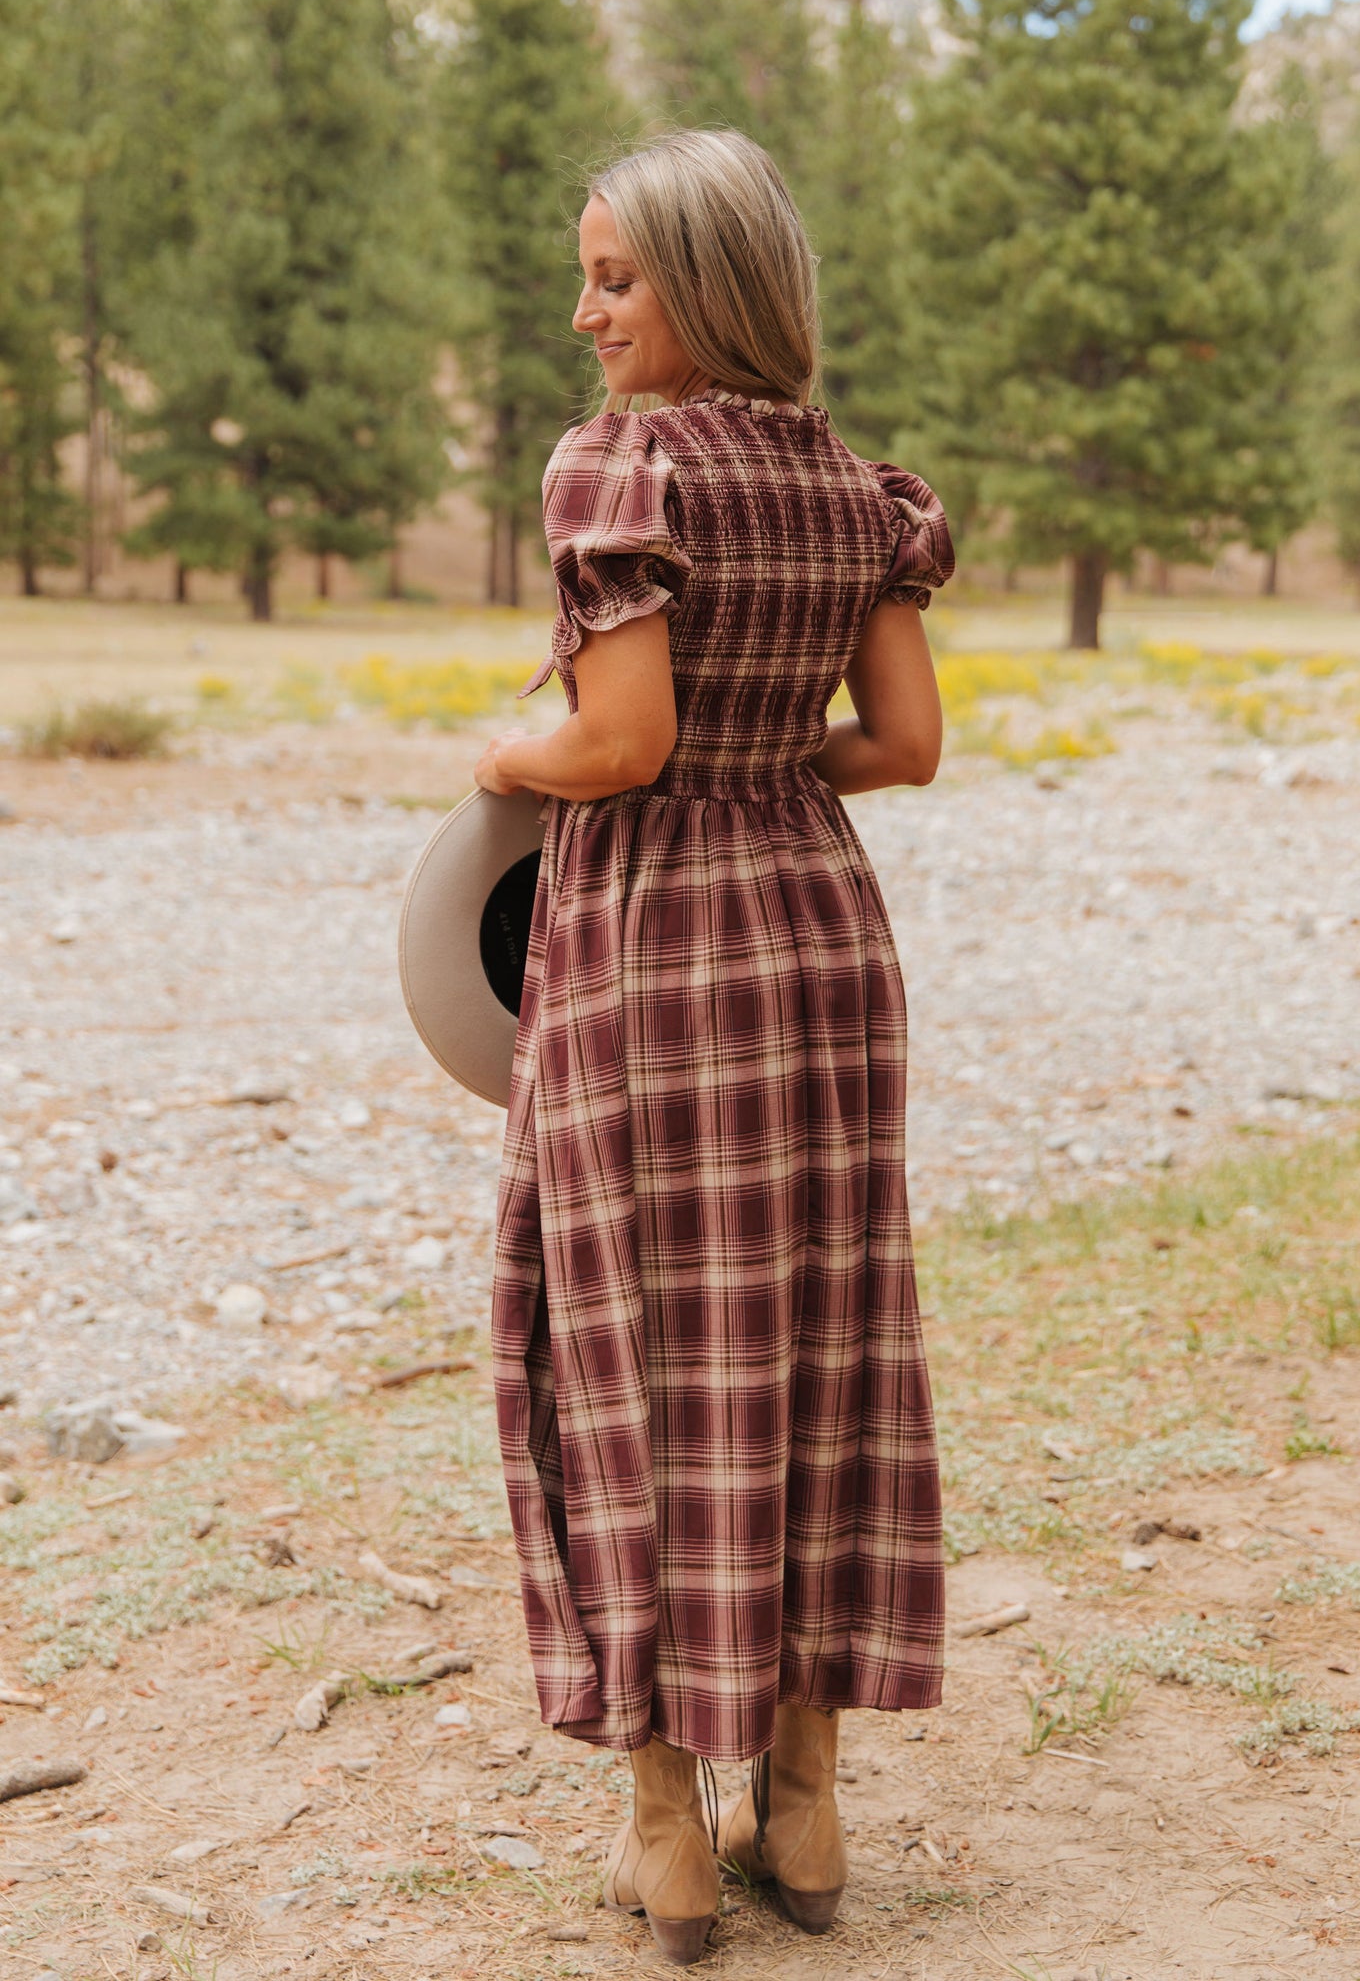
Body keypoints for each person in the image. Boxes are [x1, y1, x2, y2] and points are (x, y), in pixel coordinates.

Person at [473, 129, 951, 1966]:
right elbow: (901, 747)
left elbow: (619, 747)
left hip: (655, 948)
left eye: (616, 278)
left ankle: (671, 1838)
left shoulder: (621, 467)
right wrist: (766, 765)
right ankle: (804, 1814)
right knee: (814, 1345)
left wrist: (504, 753)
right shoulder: (855, 488)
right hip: (819, 946)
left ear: (711, 284)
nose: (584, 314)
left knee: (635, 1356)